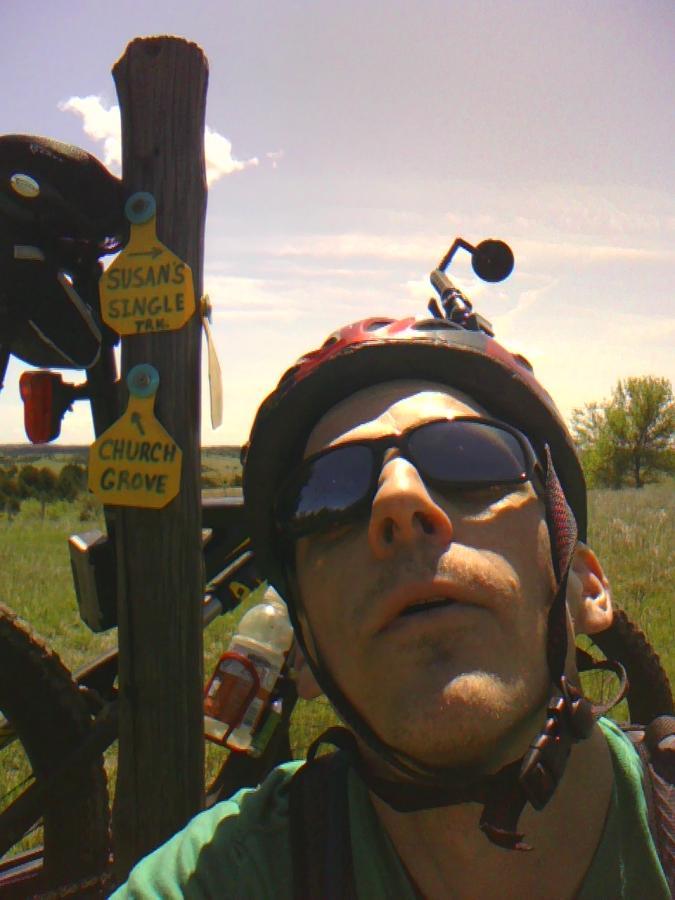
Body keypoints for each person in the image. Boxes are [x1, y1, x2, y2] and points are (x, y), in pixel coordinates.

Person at [113, 243, 673, 899]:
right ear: (303, 653)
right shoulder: (219, 878)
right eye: (325, 497)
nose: (399, 500)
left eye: (469, 458)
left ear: (587, 584)